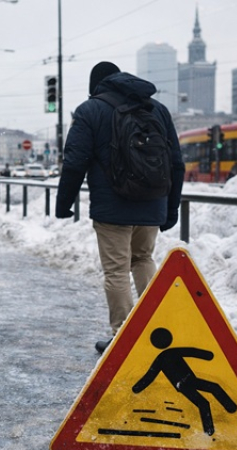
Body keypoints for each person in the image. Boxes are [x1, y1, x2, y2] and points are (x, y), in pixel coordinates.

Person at [55, 61, 185, 354]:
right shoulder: (157, 109)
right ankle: (156, 326)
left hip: (112, 207)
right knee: (142, 259)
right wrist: (171, 208)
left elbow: (74, 162)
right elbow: (176, 163)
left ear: (96, 86)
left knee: (116, 271)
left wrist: (64, 204)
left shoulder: (90, 111)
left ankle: (124, 340)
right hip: (152, 203)